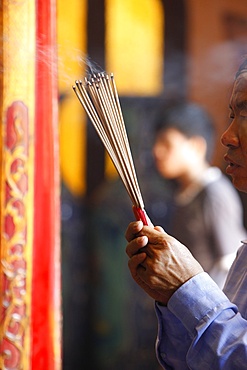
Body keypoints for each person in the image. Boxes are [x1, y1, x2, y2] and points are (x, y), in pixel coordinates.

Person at [125, 58, 247, 369]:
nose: (227, 136)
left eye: (245, 115)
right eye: (231, 116)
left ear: (194, 145)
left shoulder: (215, 193)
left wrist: (188, 288)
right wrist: (171, 295)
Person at [152, 102, 247, 287]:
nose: (157, 151)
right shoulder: (183, 192)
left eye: (167, 143)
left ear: (196, 146)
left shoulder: (215, 193)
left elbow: (228, 263)